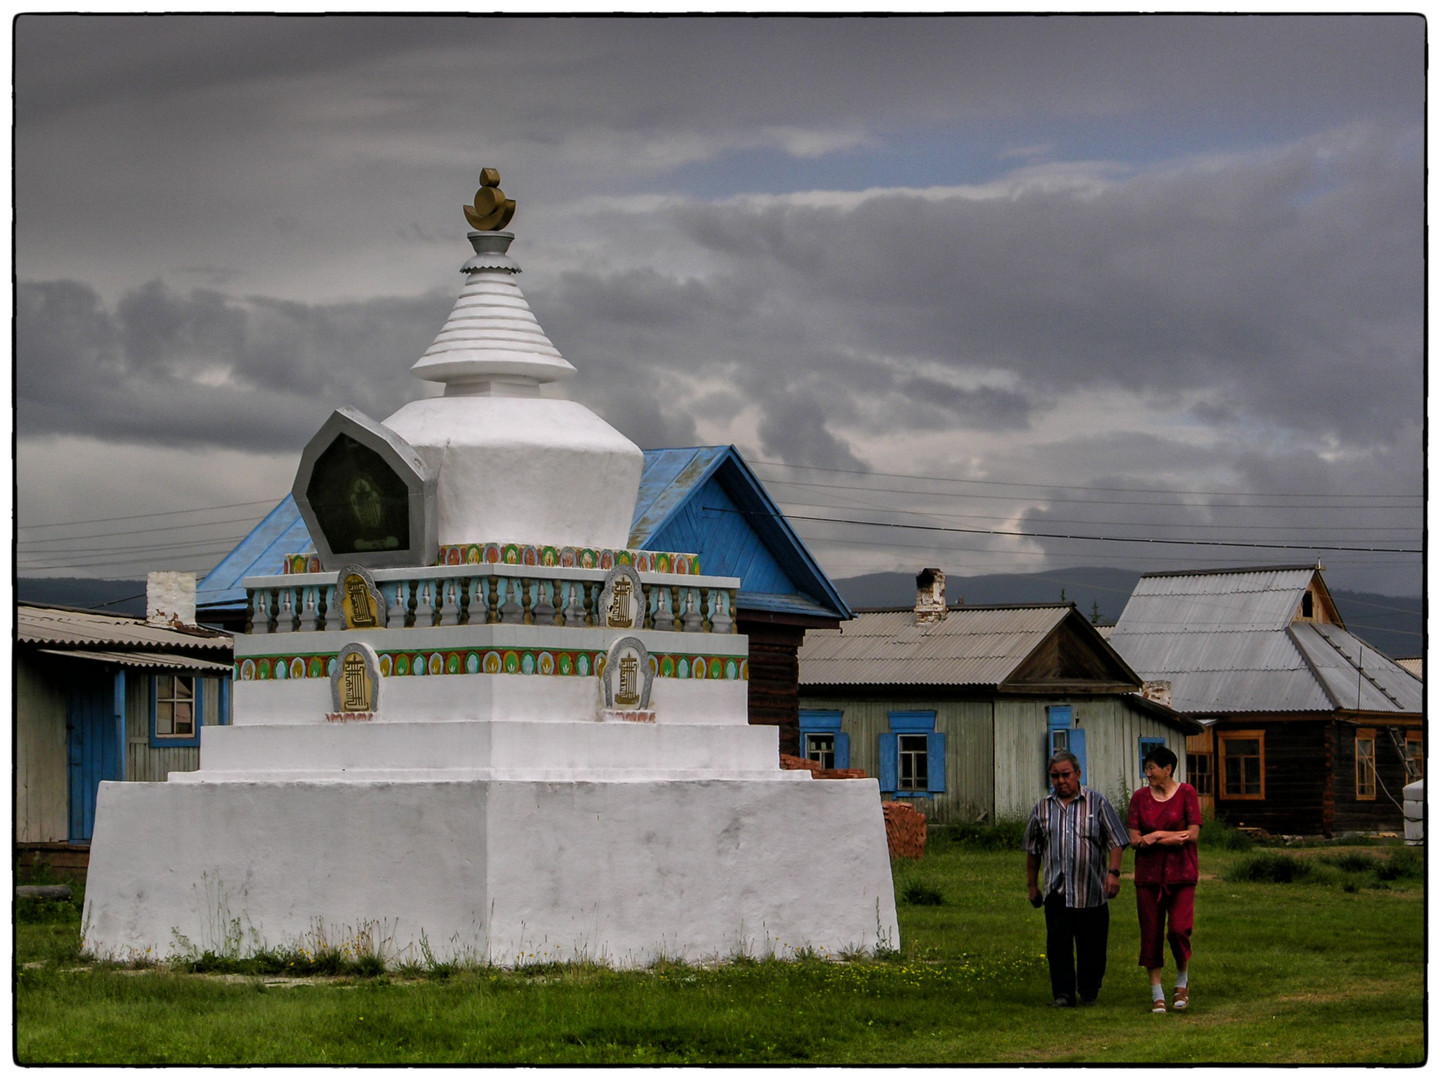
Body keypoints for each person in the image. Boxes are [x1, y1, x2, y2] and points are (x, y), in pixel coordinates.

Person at [1024, 750, 1129, 1007]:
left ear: (1078, 774)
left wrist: (1113, 874)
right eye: (1055, 776)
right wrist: (1032, 886)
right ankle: (1063, 994)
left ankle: (1089, 990)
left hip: (1091, 890)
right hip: (1057, 890)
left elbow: (1116, 841)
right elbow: (1032, 849)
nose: (1061, 781)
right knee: (1058, 945)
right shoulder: (1043, 808)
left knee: (1092, 948)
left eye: (1065, 775)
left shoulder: (1097, 803)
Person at [1127, 744, 1201, 1014]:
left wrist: (1157, 836)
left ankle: (1182, 982)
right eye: (1146, 768)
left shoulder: (1187, 793)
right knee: (1151, 933)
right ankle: (1157, 993)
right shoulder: (1139, 798)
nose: (1148, 773)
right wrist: (1172, 838)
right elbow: (1134, 839)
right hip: (1148, 876)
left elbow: (1191, 835)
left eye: (1152, 768)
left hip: (1182, 874)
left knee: (1179, 930)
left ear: (1168, 769)